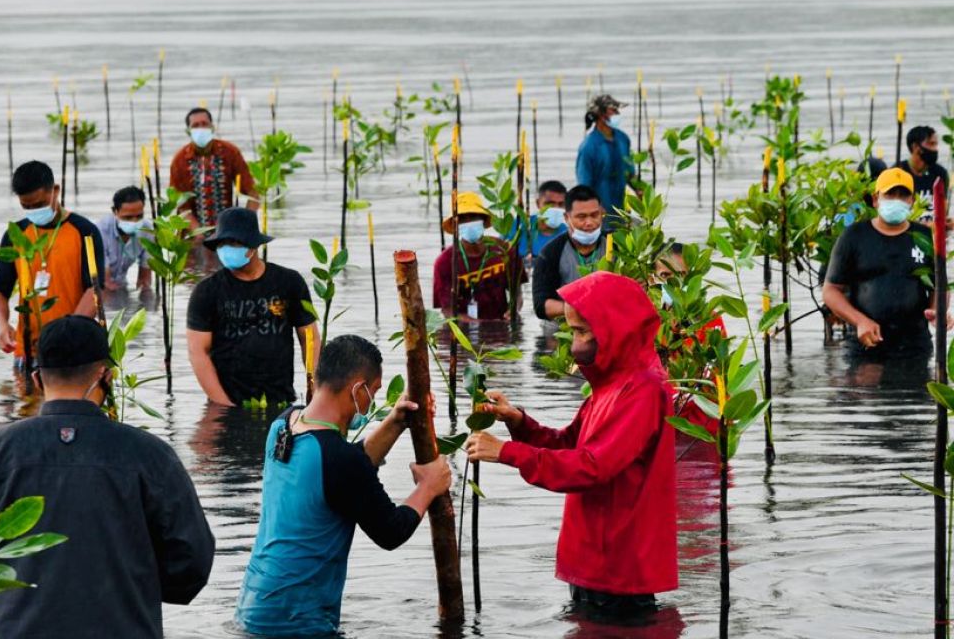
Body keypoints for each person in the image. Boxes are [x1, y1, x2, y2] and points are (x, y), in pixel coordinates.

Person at [0, 315, 214, 638]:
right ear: (106, 377)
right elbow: (191, 563)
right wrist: (133, 587)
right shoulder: (151, 455)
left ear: (37, 379)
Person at [466, 271, 677, 616]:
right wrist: (519, 422)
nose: (574, 343)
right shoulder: (611, 383)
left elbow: (592, 466)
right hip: (594, 555)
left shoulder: (642, 390)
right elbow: (569, 444)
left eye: (581, 332)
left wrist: (507, 452)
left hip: (619, 565)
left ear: (612, 330)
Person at [234, 334, 452, 636]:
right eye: (373, 392)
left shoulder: (283, 426)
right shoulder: (339, 460)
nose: (372, 401)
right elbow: (391, 531)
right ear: (358, 389)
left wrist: (396, 422)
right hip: (297, 622)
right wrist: (428, 486)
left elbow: (343, 470)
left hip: (253, 608)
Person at [187, 207, 319, 407]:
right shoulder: (207, 291)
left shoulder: (289, 282)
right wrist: (224, 405)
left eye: (233, 243)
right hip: (227, 400)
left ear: (253, 245)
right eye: (222, 244)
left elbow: (310, 338)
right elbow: (198, 352)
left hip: (281, 399)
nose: (226, 249)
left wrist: (314, 387)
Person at [0, 161, 106, 370]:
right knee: (25, 402)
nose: (34, 210)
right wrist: (2, 325)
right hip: (27, 352)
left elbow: (95, 289)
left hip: (73, 349)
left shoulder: (84, 231)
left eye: (40, 204)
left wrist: (67, 333)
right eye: (27, 206)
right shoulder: (16, 235)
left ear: (56, 191)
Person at [823, 167, 944, 358]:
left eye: (903, 195)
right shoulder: (853, 236)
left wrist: (937, 311)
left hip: (915, 345)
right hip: (866, 343)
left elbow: (940, 285)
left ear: (912, 201)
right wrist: (860, 321)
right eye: (890, 194)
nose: (896, 200)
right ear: (875, 199)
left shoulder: (925, 237)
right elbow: (830, 290)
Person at [432, 191, 526, 321]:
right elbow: (447, 310)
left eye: (474, 217)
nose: (469, 222)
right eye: (463, 219)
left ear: (483, 220)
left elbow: (518, 294)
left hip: (501, 325)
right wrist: (477, 326)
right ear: (455, 225)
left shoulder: (505, 250)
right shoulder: (445, 262)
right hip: (464, 330)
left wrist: (513, 310)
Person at [169, 106, 258, 232]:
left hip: (228, 231)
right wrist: (198, 232)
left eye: (205, 124)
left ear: (212, 127)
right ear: (188, 131)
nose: (201, 128)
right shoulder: (180, 160)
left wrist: (245, 223)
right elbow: (181, 206)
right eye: (195, 125)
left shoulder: (230, 152)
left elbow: (252, 192)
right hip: (193, 234)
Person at [532, 185, 606, 320]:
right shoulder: (550, 253)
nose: (589, 223)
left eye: (595, 215)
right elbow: (540, 306)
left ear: (602, 213)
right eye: (581, 217)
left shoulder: (617, 243)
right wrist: (579, 308)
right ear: (566, 218)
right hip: (564, 330)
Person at [575, 95, 633, 220]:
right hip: (600, 212)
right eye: (614, 111)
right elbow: (584, 185)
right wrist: (593, 208)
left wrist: (640, 191)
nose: (618, 114)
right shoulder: (589, 147)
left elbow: (629, 172)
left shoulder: (623, 139)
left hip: (620, 208)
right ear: (601, 115)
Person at [95, 185, 152, 291]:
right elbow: (105, 283)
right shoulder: (101, 231)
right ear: (115, 212)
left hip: (121, 284)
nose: (134, 222)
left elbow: (145, 280)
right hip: (98, 285)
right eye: (128, 217)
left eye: (139, 216)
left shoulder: (147, 231)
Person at [895, 125, 950, 224]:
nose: (935, 149)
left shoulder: (940, 174)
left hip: (932, 230)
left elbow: (943, 211)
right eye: (931, 144)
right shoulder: (898, 172)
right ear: (916, 147)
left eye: (936, 144)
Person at [517, 179, 568, 259]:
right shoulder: (519, 227)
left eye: (561, 204)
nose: (556, 208)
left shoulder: (568, 234)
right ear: (538, 203)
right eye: (550, 204)